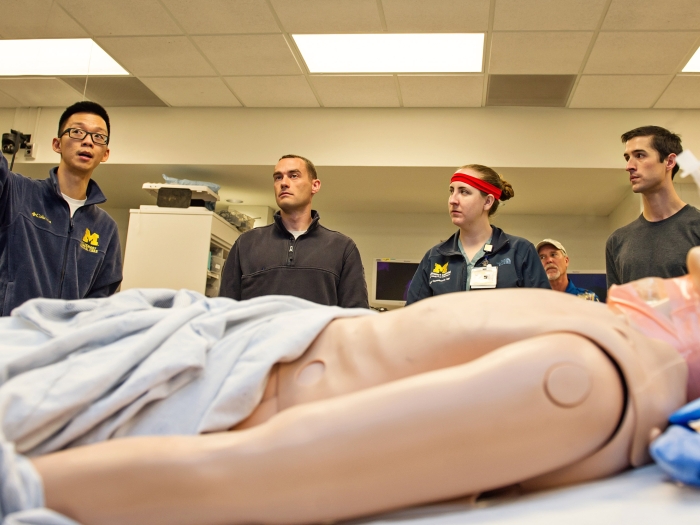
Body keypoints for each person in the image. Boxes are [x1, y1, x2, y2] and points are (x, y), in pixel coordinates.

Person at [0, 246, 699, 523]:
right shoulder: (607, 338)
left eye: (696, 284)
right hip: (216, 338)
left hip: (189, 385)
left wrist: (27, 489)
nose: (691, 260)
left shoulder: (585, 383)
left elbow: (257, 472)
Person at [0, 101, 122, 316]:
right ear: (57, 144)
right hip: (11, 337)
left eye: (98, 136)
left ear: (105, 153)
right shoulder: (18, 192)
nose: (87, 141)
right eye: (77, 132)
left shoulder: (105, 228)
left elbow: (101, 303)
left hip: (63, 344)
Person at [219, 154, 368, 308]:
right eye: (278, 177)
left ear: (315, 185)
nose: (284, 183)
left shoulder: (342, 248)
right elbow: (224, 311)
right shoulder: (246, 243)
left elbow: (356, 317)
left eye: (294, 175)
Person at [406, 164, 550, 305]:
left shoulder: (519, 252)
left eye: (464, 192)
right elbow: (412, 318)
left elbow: (544, 313)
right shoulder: (435, 257)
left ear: (487, 201)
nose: (452, 200)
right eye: (452, 191)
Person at [606, 125, 700, 287]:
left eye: (640, 155)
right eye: (627, 158)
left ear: (670, 161)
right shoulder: (618, 241)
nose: (629, 166)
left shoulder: (696, 227)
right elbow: (617, 308)